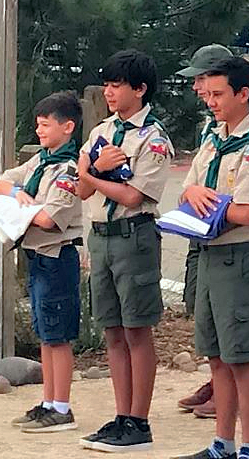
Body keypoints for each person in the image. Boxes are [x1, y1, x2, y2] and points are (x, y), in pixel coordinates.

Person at [173, 57, 249, 459]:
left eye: (219, 94)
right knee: (216, 355)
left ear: (243, 94)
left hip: (240, 256)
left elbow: (247, 212)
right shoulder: (215, 137)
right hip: (208, 251)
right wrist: (197, 197)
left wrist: (207, 201)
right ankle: (223, 443)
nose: (210, 101)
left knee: (241, 358)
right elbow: (187, 189)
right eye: (208, 94)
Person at [77, 49, 174, 453]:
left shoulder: (152, 138)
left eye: (118, 85)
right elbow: (80, 186)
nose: (109, 91)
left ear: (140, 89)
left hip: (133, 236)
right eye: (108, 83)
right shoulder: (101, 132)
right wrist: (96, 171)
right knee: (111, 329)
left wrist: (92, 172)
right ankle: (121, 416)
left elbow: (134, 196)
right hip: (100, 234)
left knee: (137, 328)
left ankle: (140, 419)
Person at [0, 91, 84, 433]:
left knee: (58, 334)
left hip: (58, 255)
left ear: (68, 127)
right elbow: (1, 181)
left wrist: (22, 208)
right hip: (37, 256)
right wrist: (16, 195)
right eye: (37, 125)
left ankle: (62, 407)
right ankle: (48, 401)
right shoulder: (41, 161)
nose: (40, 131)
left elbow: (49, 219)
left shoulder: (68, 169)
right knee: (45, 334)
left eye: (46, 125)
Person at [175, 43, 235, 420]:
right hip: (201, 231)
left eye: (203, 80)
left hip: (227, 234)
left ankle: (230, 391)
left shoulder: (244, 127)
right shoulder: (209, 128)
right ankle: (217, 383)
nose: (198, 89)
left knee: (227, 317)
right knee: (200, 308)